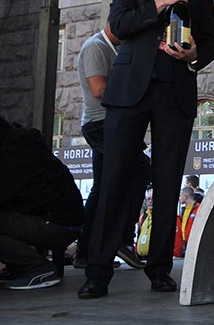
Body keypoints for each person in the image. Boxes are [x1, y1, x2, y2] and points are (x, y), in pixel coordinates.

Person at [78, 0, 214, 299]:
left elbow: (211, 43)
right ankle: (97, 272)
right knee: (114, 180)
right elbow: (120, 24)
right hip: (129, 92)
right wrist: (164, 1)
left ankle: (159, 269)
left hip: (175, 90)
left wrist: (194, 55)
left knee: (168, 180)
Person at [75, 22, 150, 270]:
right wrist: (137, 89)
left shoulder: (115, 49)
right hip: (101, 125)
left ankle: (86, 250)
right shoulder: (96, 47)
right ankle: (122, 239)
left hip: (109, 124)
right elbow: (98, 88)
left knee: (101, 187)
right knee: (140, 170)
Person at [0, 111, 85, 290]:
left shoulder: (13, 154)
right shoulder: (17, 144)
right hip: (60, 218)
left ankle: (37, 268)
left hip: (59, 223)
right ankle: (20, 266)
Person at [173, 187, 200, 258]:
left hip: (194, 243)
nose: (179, 198)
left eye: (180, 196)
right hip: (184, 244)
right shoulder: (183, 210)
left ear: (185, 197)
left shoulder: (198, 209)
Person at [136, 188, 154, 259]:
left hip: (153, 258)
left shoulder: (162, 217)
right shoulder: (143, 216)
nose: (150, 201)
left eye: (152, 199)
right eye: (148, 199)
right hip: (141, 258)